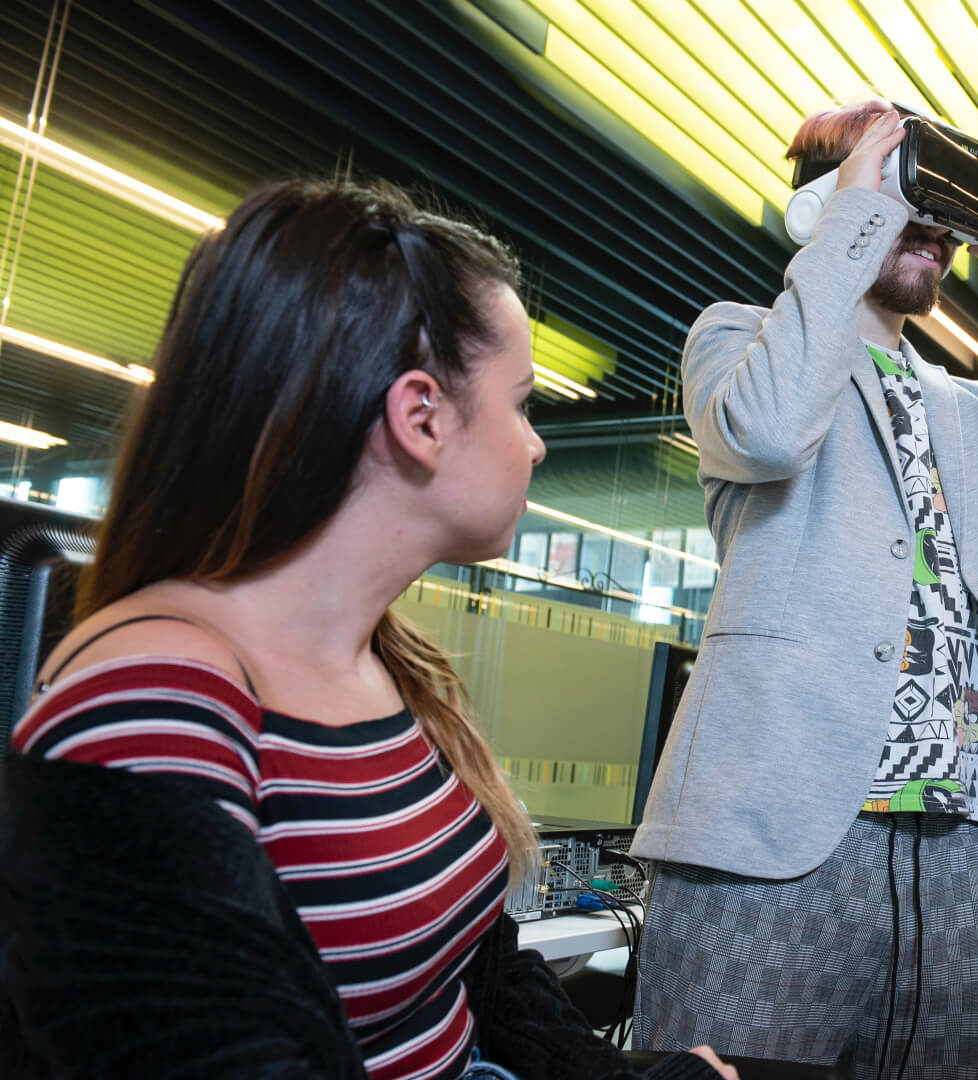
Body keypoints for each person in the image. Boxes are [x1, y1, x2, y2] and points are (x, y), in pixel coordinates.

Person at [0, 179, 735, 1080]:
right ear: (421, 417)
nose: (536, 444)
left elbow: (483, 967)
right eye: (522, 404)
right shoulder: (151, 705)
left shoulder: (388, 658)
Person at [632, 99, 978, 1077]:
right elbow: (771, 433)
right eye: (904, 201)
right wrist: (855, 222)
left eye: (942, 221)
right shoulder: (737, 343)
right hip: (774, 838)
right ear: (829, 209)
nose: (936, 234)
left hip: (949, 849)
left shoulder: (975, 414)